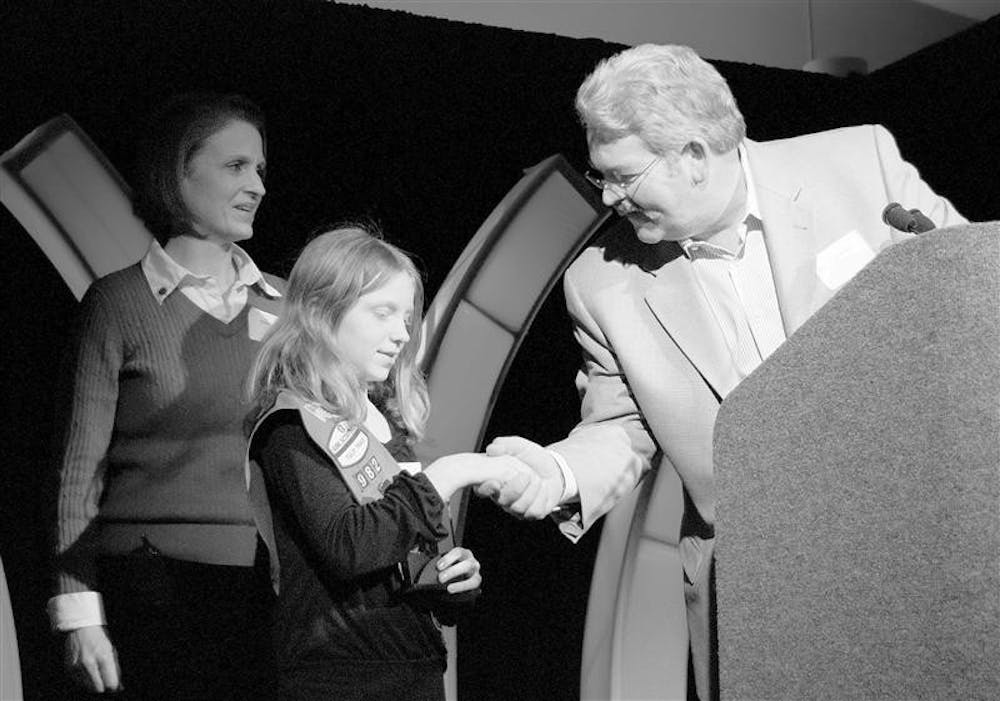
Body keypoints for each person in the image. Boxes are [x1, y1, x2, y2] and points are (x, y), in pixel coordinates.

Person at [481, 43, 968, 700]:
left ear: (693, 155)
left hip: (913, 549)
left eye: (623, 175)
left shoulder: (862, 167)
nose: (611, 197)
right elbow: (619, 428)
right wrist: (557, 472)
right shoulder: (600, 281)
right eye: (603, 178)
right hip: (752, 594)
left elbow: (971, 289)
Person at [48, 92, 283, 699]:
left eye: (260, 169)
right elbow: (79, 473)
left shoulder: (286, 307)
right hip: (155, 590)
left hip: (270, 587)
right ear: (177, 172)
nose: (256, 184)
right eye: (235, 167)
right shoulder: (118, 304)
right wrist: (80, 613)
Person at [246, 225, 528, 701]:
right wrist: (450, 473)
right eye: (383, 314)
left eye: (406, 317)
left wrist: (451, 578)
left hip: (413, 670)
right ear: (322, 313)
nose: (401, 334)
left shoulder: (385, 424)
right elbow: (350, 546)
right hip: (340, 678)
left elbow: (397, 549)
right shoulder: (292, 426)